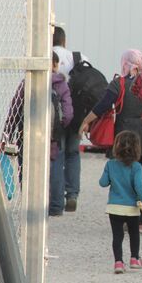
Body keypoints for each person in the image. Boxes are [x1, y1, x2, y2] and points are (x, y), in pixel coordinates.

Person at [80, 49, 142, 232]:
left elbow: (102, 106)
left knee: (124, 176)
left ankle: (125, 216)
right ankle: (141, 221)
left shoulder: (118, 83)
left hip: (125, 136)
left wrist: (86, 121)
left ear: (124, 63)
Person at [99, 130, 142, 274]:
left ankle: (118, 262)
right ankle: (134, 258)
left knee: (117, 236)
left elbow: (103, 183)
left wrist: (110, 177)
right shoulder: (137, 167)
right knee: (134, 233)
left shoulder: (110, 164)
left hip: (114, 207)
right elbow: (139, 186)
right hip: (131, 208)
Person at [52, 26, 87, 212]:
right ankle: (72, 194)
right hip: (76, 115)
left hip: (52, 118)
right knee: (73, 154)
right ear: (64, 40)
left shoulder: (46, 58)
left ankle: (55, 198)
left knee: (57, 154)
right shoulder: (78, 57)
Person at [49, 51, 74, 216]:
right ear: (56, 65)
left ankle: (31, 202)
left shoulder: (29, 80)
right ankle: (56, 206)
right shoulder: (61, 83)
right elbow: (68, 112)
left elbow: (17, 101)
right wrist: (60, 124)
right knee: (56, 165)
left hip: (31, 131)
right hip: (54, 132)